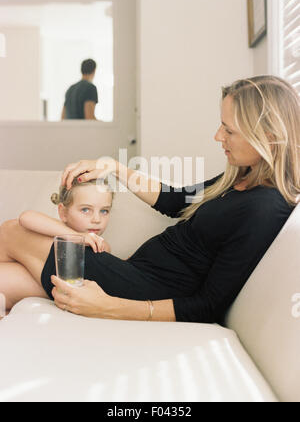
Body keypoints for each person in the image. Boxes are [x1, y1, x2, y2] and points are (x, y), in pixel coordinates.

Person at [0, 75, 299, 323]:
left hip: (142, 289)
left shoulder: (265, 208)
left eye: (229, 130)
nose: (217, 136)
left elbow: (208, 305)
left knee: (13, 230)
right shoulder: (240, 179)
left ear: (270, 136)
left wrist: (107, 306)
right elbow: (175, 201)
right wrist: (113, 167)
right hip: (134, 273)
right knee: (7, 279)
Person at [0, 178, 113, 311]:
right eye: (85, 210)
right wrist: (78, 237)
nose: (96, 219)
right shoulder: (55, 229)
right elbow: (26, 217)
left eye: (104, 211)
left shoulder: (100, 246)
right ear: (63, 213)